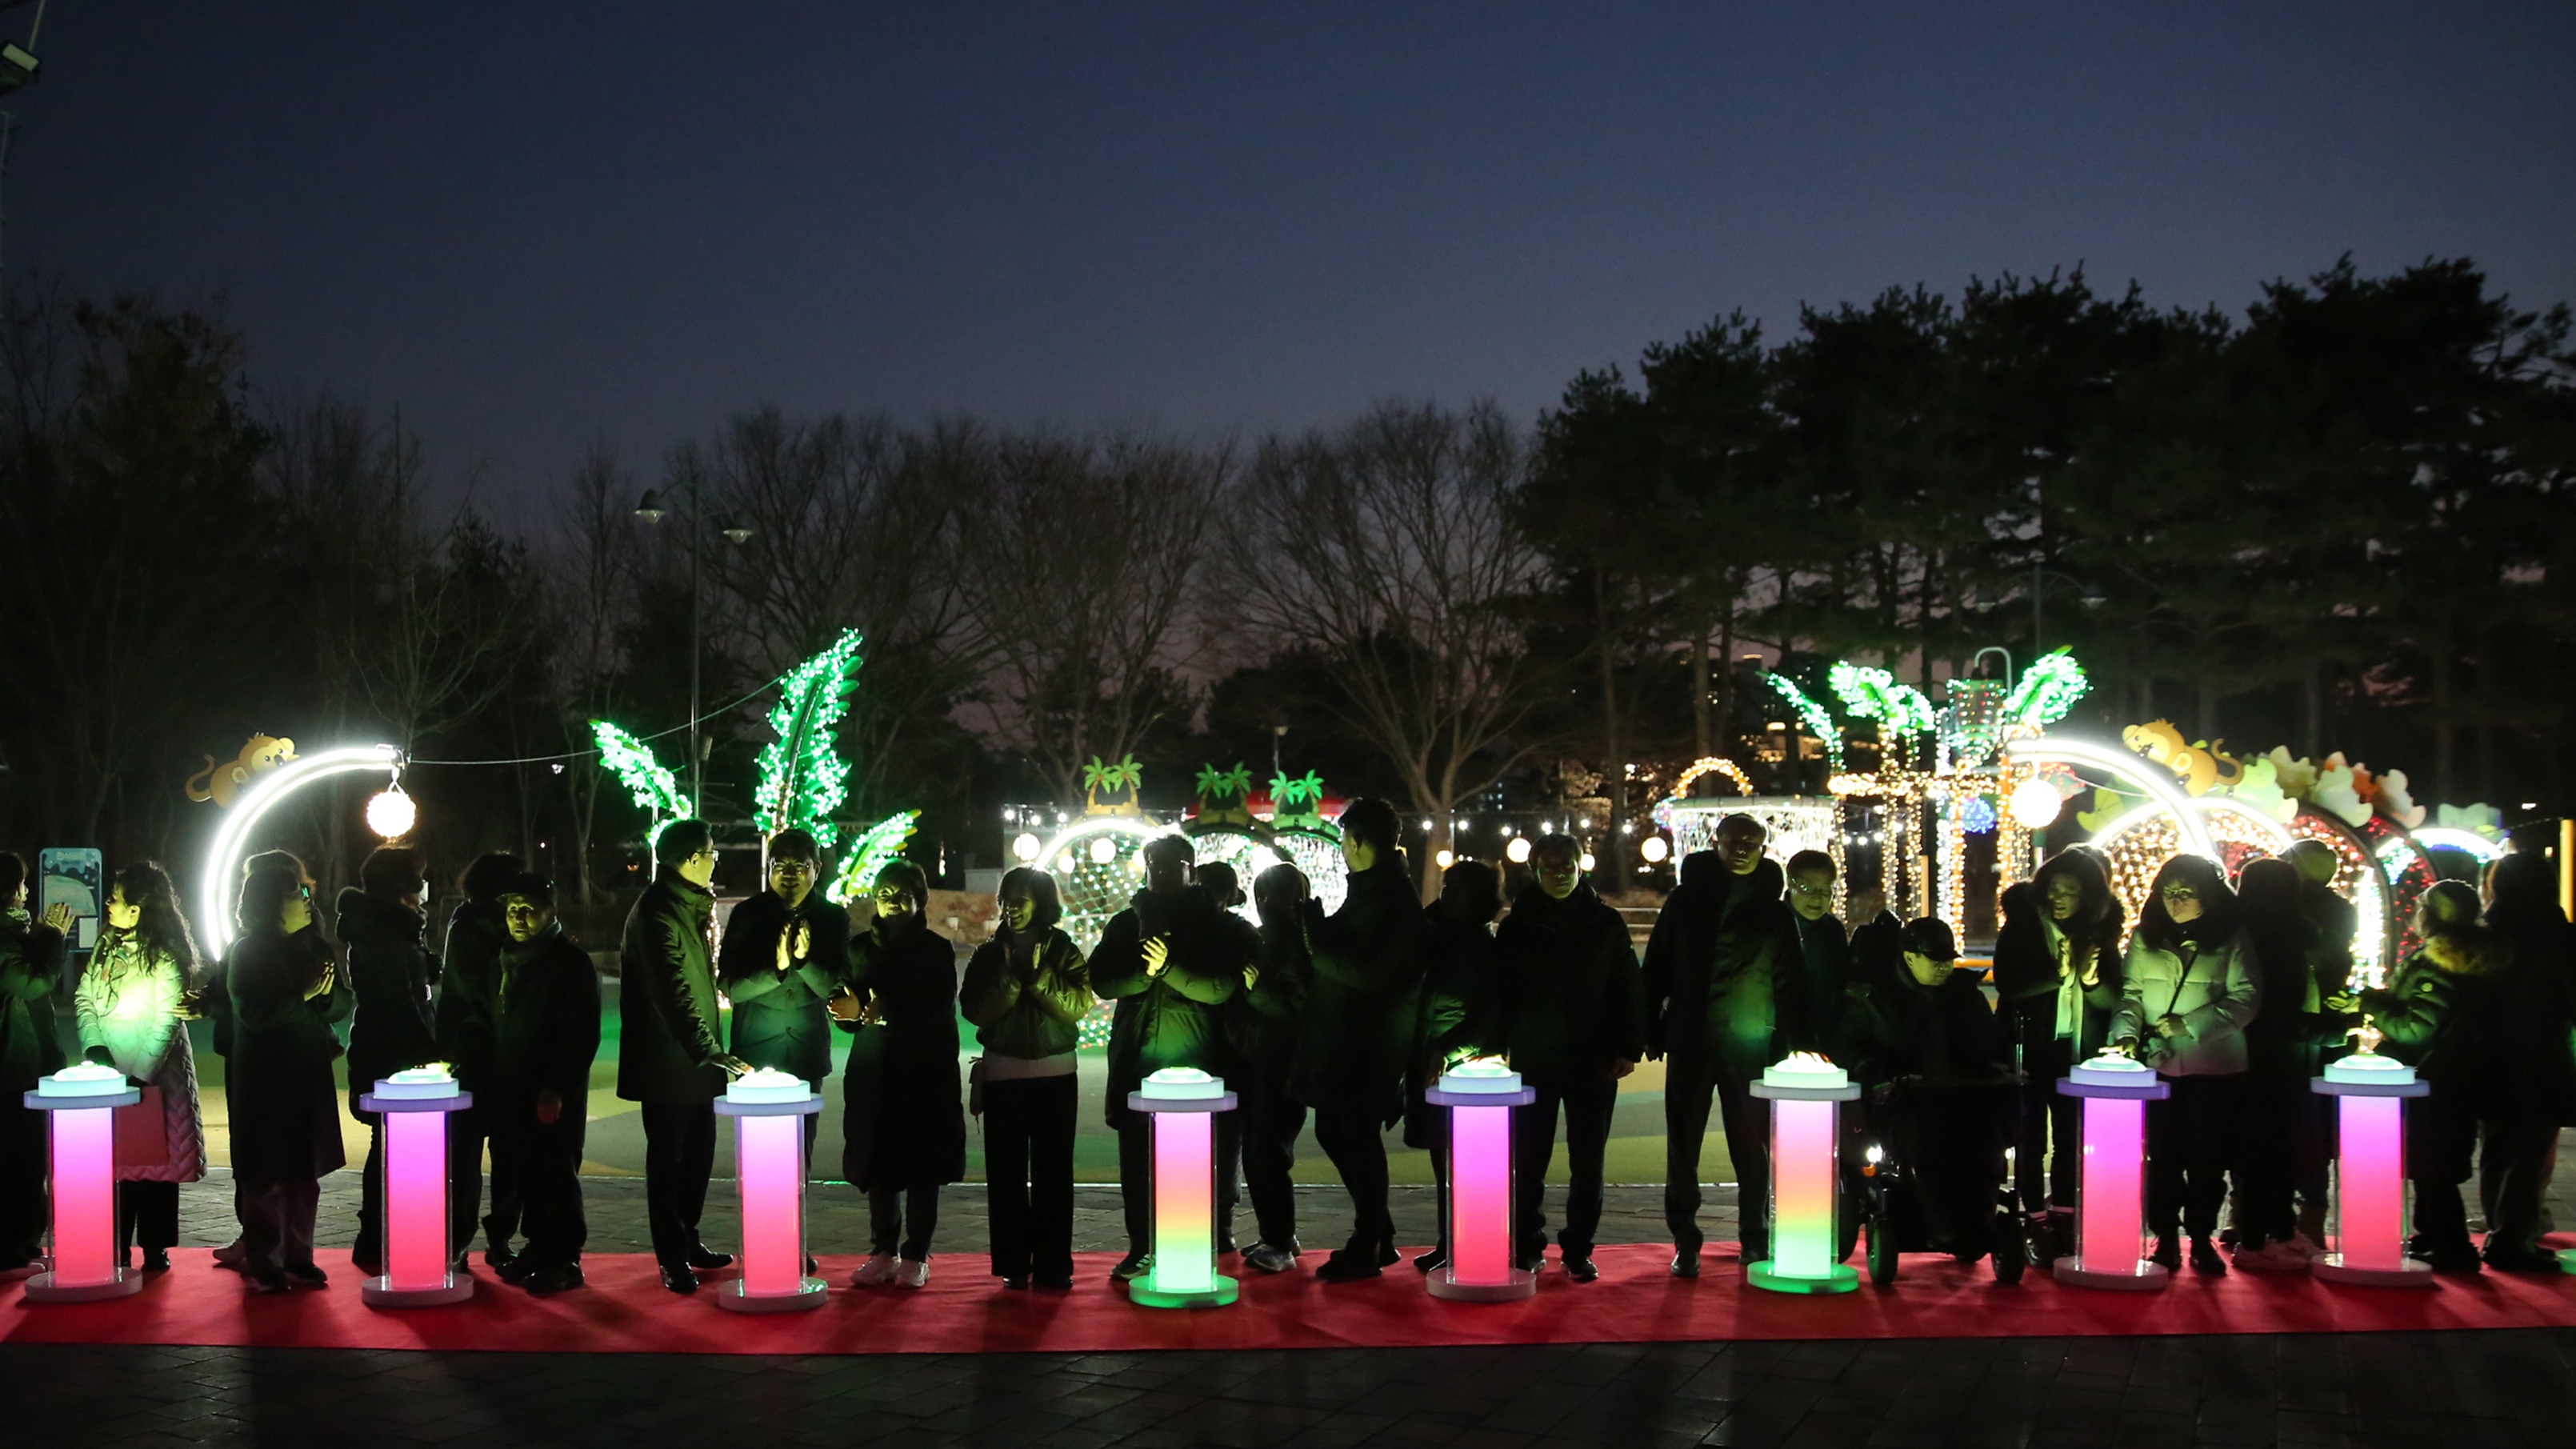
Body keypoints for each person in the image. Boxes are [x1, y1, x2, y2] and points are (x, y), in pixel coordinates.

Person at [1642, 813, 1807, 1276]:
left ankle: (1754, 1236)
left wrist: (1800, 1040)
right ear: (1716, 842)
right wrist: (1650, 1029)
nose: (1742, 849)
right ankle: (1685, 1239)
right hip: (1693, 1036)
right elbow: (1657, 965)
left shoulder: (1774, 910)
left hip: (1748, 1039)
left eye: (1752, 843)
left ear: (1763, 847)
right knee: (1684, 1144)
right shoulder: (1685, 900)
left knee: (1751, 1146)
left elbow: (1790, 979)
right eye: (1734, 841)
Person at [1092, 835, 1248, 1282]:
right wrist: (1144, 974)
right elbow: (1102, 980)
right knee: (1136, 1163)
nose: (1158, 872)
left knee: (1197, 1163)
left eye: (1169, 864)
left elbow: (1221, 988)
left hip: (1200, 1068)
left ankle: (1199, 1241)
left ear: (1190, 869)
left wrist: (1169, 970)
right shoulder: (1126, 924)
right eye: (1151, 864)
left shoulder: (1216, 927)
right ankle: (1141, 1246)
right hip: (1137, 1064)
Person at [1493, 835, 1644, 1283]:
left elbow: (1627, 987)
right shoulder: (1517, 925)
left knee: (1588, 1159)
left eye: (1567, 866)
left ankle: (1579, 1248)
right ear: (1535, 870)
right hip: (1534, 1057)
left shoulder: (1605, 922)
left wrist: (1626, 1047)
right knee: (1529, 1158)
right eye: (1550, 866)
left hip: (1592, 1058)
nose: (1559, 874)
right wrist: (1499, 1045)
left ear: (1582, 868)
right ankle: (1528, 1244)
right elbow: (1502, 993)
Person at [2341, 880, 2510, 1274]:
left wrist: (2373, 1009)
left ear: (2430, 916)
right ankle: (2431, 1235)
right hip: (2461, 1076)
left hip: (2433, 1078)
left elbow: (2418, 1029)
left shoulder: (2438, 961)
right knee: (2439, 1162)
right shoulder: (2479, 956)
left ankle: (2452, 1247)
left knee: (2432, 1165)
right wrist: (2380, 998)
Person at [1295, 797, 1426, 1282]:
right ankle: (1377, 1234)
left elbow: (1365, 971)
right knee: (1339, 1131)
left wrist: (1313, 936)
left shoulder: (1390, 897)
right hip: (1354, 1035)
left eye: (1345, 842)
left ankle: (1369, 1240)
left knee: (1356, 1135)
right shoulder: (1377, 889)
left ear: (1355, 842)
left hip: (1369, 1041)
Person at [615, 820, 748, 1295]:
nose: (716, 860)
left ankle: (688, 1241)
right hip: (668, 1065)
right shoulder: (658, 913)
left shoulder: (682, 907)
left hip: (692, 1064)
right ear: (692, 859)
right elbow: (673, 992)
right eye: (711, 853)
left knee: (697, 1157)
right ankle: (671, 1257)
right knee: (669, 1162)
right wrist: (707, 1050)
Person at [2110, 855, 2258, 1275]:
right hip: (2159, 1068)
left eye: (2185, 893)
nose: (2175, 902)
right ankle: (2166, 1237)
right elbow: (2132, 993)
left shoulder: (2232, 938)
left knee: (2207, 1160)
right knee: (2162, 1158)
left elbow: (2246, 998)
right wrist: (2126, 1032)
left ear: (2208, 896)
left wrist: (2191, 1025)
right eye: (2168, 892)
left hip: (2215, 1068)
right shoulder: (2146, 937)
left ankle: (2201, 1238)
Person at [1834, 916, 2014, 1258]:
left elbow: (1989, 1045)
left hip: (1963, 1097)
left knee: (1983, 1143)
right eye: (1936, 960)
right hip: (1903, 1103)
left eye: (1949, 959)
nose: (1945, 966)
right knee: (1926, 1143)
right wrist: (1878, 1073)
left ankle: (1976, 1223)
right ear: (1910, 957)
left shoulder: (1965, 997)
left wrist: (1994, 1069)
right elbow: (1849, 1047)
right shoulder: (1875, 997)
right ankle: (1942, 1225)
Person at [959, 866, 1091, 1290]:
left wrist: (1037, 978)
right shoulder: (987, 954)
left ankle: (1054, 1266)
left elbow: (1076, 1006)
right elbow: (976, 1011)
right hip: (1003, 1075)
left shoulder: (1064, 949)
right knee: (1006, 1175)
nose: (1012, 906)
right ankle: (1014, 1264)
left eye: (1022, 898)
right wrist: (1013, 980)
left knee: (1055, 1174)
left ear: (1042, 902)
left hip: (1056, 1075)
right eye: (1007, 898)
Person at [73, 861, 207, 1275]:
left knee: (156, 1170)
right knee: (117, 1169)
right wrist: (95, 1047)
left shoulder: (165, 956)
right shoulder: (105, 948)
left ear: (139, 908)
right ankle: (116, 1246)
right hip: (111, 1078)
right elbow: (86, 998)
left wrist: (139, 1076)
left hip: (157, 1082)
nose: (108, 905)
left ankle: (154, 1247)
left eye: (115, 899)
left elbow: (165, 1020)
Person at [837, 860, 966, 1288]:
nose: (892, 902)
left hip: (923, 1071)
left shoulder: (935, 949)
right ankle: (883, 1250)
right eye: (885, 894)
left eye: (902, 895)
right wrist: (850, 1014)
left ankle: (916, 1252)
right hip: (874, 1069)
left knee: (922, 1165)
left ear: (920, 900)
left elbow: (933, 1007)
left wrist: (877, 1011)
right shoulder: (859, 948)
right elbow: (846, 1005)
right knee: (879, 1163)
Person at [1990, 847, 2126, 1249]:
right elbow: (2008, 985)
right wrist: (2057, 975)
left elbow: (2110, 1000)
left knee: (2071, 1137)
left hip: (2076, 1050)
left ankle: (2065, 1214)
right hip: (2030, 1046)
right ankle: (2033, 1217)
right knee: (2030, 1137)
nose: (2059, 898)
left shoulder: (2100, 933)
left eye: (2071, 892)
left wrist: (2089, 980)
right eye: (2054, 889)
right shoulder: (2023, 925)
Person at [226, 859, 351, 1292]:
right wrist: (303, 994)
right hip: (265, 1080)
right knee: (267, 1175)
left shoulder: (311, 946)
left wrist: (327, 994)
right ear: (270, 903)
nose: (306, 900)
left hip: (306, 1074)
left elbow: (337, 1006)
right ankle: (266, 1260)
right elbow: (255, 1015)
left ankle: (300, 1257)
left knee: (304, 1173)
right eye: (296, 893)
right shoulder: (246, 951)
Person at [490, 873, 601, 1293]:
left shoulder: (569, 962)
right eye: (512, 908)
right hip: (513, 1085)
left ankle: (564, 1258)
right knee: (526, 1170)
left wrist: (557, 1086)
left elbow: (580, 1033)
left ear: (550, 910)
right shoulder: (505, 958)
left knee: (556, 1171)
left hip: (551, 1091)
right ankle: (538, 1248)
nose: (518, 917)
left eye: (528, 908)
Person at [2230, 856, 2338, 1270]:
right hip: (2280, 1059)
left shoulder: (2244, 934)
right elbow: (2282, 1011)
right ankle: (2264, 1237)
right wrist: (2327, 1027)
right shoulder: (2288, 939)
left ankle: (2268, 1229)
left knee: (2260, 1149)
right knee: (2275, 1148)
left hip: (2252, 1055)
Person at [336, 844, 441, 1277]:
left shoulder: (388, 927)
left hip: (386, 1049)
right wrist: (432, 1053)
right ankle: (381, 1239)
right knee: (392, 1147)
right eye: (418, 881)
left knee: (390, 1146)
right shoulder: (385, 930)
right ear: (403, 886)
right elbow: (397, 999)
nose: (423, 890)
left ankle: (381, 1238)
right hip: (395, 1054)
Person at [718, 828, 850, 1161]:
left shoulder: (833, 918)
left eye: (799, 865)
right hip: (755, 1053)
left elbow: (835, 988)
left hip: (806, 1054)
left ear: (816, 869)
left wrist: (804, 963)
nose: (789, 874)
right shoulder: (747, 915)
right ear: (769, 868)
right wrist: (775, 971)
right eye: (780, 865)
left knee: (800, 1152)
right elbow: (730, 987)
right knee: (758, 1157)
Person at [2474, 852, 2576, 1271]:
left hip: (2487, 1054)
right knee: (2531, 1151)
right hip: (2540, 1054)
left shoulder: (2485, 933)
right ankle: (2514, 1240)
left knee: (2496, 1147)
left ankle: (2502, 1231)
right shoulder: (2559, 935)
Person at [1404, 859, 1502, 1275]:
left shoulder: (1481, 947)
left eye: (1458, 889)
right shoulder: (1432, 935)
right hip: (1433, 1059)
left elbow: (1489, 1013)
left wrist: (1447, 1050)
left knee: (1465, 1164)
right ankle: (1451, 1243)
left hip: (1460, 1067)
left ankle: (1472, 1244)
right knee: (1444, 1161)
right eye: (1446, 886)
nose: (1447, 895)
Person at [437, 851, 524, 1272]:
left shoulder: (464, 923)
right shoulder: (485, 929)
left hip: (472, 1053)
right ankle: (492, 1238)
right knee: (496, 1154)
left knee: (473, 1155)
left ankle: (464, 1241)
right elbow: (481, 994)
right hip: (488, 1052)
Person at [1232, 862, 1311, 1276]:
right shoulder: (1274, 941)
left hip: (1281, 1063)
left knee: (1268, 1151)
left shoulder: (1298, 944)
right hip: (1262, 1059)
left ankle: (1280, 1239)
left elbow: (1297, 1007)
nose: (1265, 905)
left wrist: (1256, 992)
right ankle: (1276, 1234)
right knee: (1261, 1152)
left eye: (1272, 896)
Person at [0, 851, 67, 1279]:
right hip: (11, 1070)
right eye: (22, 886)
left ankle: (22, 1243)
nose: (27, 894)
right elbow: (32, 980)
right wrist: (52, 937)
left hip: (19, 1066)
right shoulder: (6, 939)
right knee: (19, 1163)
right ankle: (12, 1251)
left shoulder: (12, 934)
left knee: (25, 1162)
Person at [1783, 850, 1850, 1050]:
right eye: (1807, 888)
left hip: (1826, 1035)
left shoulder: (1833, 930)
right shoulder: (1774, 924)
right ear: (1791, 884)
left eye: (1825, 890)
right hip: (1779, 1037)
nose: (1817, 898)